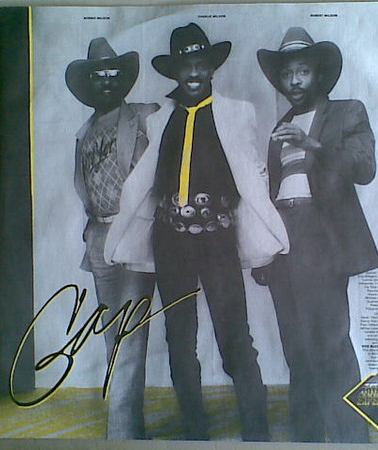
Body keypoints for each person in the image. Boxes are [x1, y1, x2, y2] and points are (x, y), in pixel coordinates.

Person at [104, 23, 289, 441]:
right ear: (174, 72)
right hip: (170, 241)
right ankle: (195, 433)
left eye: (200, 64)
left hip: (217, 239)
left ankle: (256, 433)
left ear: (211, 68)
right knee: (179, 340)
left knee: (235, 337)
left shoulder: (237, 112)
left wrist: (264, 229)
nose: (193, 72)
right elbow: (146, 180)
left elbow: (251, 174)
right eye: (185, 65)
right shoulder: (160, 119)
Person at [254, 27, 378, 443]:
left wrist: (313, 144)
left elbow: (364, 168)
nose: (294, 81)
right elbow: (273, 190)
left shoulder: (346, 112)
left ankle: (351, 439)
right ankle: (306, 437)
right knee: (295, 347)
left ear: (319, 74)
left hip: (320, 237)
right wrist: (263, 246)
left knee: (330, 344)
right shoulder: (281, 125)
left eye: (303, 71)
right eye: (287, 73)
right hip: (283, 238)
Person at [65, 37, 159, 439]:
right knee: (112, 336)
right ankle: (129, 429)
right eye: (98, 76)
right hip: (99, 236)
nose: (106, 81)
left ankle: (120, 435)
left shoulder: (143, 116)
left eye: (112, 74)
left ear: (122, 81)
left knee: (130, 336)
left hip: (135, 233)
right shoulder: (85, 132)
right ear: (89, 84)